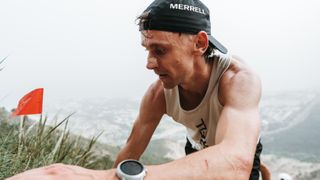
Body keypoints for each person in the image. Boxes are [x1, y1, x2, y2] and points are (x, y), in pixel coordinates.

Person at [8, 0, 266, 179]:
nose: (149, 64)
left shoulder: (238, 80)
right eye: (147, 50)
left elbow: (234, 167)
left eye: (160, 51)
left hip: (240, 158)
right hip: (196, 148)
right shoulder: (158, 95)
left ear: (199, 43)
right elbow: (128, 154)